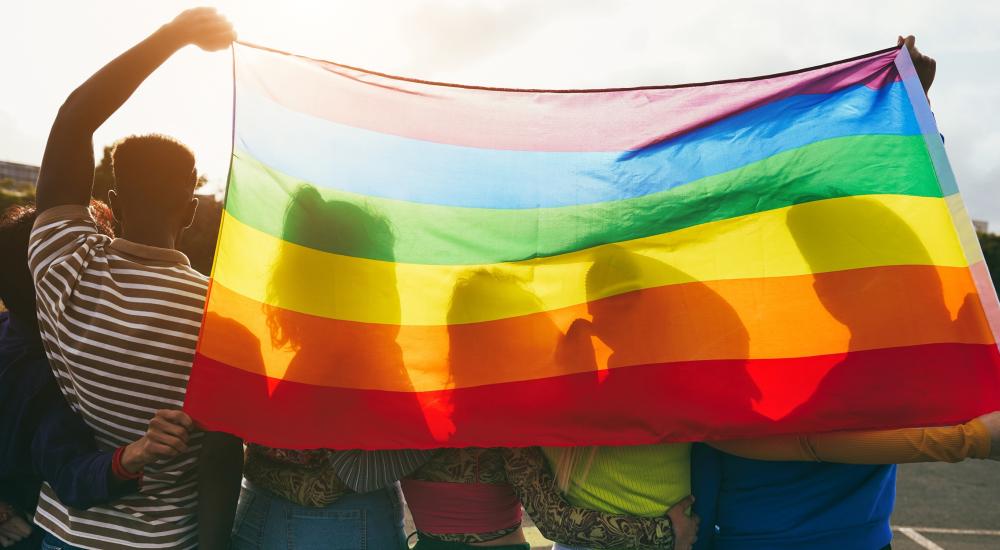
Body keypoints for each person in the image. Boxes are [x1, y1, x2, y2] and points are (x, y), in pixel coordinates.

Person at [28, 7, 235, 548]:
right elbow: (219, 452)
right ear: (190, 210)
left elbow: (75, 117)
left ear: (112, 204)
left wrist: (174, 35)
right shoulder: (221, 314)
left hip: (67, 528)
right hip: (167, 538)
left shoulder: (63, 265)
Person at [0, 202, 196, 549]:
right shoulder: (52, 372)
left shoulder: (8, 332)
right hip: (31, 529)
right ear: (50, 280)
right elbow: (71, 475)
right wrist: (135, 453)